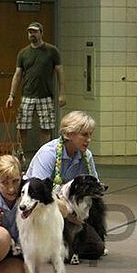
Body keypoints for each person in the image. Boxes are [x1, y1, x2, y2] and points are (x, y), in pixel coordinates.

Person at [25, 110, 106, 260]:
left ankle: (62, 247)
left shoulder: (86, 156)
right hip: (41, 209)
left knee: (97, 248)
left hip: (69, 213)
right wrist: (69, 215)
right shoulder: (48, 154)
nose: (88, 139)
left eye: (90, 134)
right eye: (84, 135)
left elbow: (94, 186)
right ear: (68, 134)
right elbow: (39, 194)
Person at [5, 22, 66, 149]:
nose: (32, 34)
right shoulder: (23, 53)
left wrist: (62, 94)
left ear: (41, 33)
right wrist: (11, 95)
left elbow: (60, 72)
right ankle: (19, 155)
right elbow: (17, 75)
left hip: (45, 95)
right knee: (22, 127)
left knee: (46, 127)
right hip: (27, 95)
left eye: (35, 32)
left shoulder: (52, 51)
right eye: (30, 32)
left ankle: (44, 156)